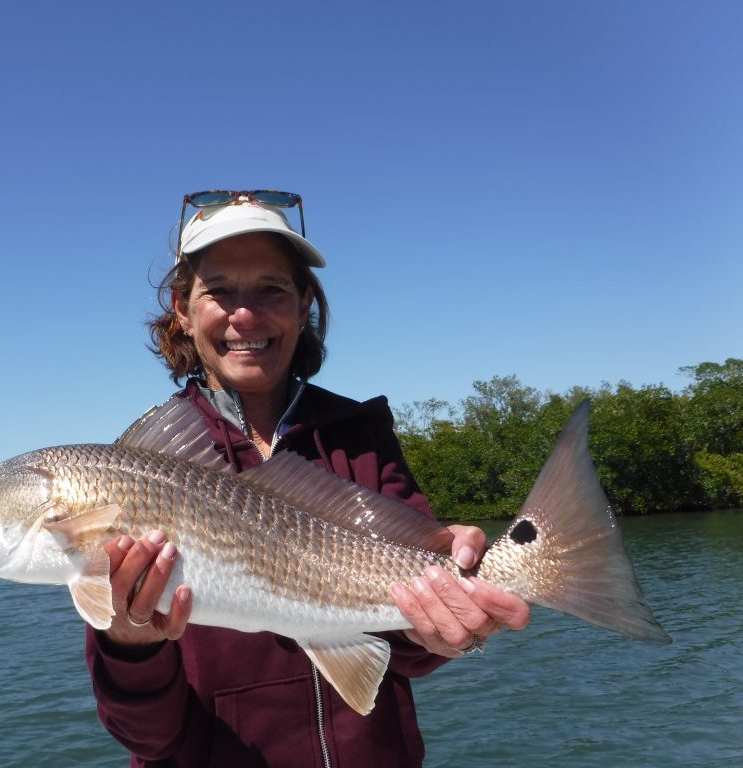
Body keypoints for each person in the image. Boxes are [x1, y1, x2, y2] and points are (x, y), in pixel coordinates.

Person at [85, 190, 530, 767]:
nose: (245, 315)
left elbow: (408, 652)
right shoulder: (136, 472)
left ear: (303, 306)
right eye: (218, 290)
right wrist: (129, 644)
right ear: (182, 308)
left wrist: (443, 630)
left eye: (271, 288)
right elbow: (149, 738)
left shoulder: (361, 434)